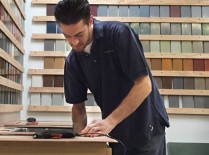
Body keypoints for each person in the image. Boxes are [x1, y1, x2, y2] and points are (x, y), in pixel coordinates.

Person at [54, 0, 170, 155]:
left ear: (90, 21)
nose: (73, 42)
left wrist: (109, 121)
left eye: (79, 35)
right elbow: (78, 107)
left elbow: (144, 84)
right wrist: (80, 143)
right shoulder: (73, 61)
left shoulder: (119, 34)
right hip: (116, 132)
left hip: (147, 125)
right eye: (67, 36)